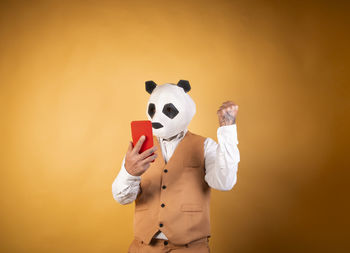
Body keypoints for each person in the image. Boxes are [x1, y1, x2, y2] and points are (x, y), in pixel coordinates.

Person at [112, 80, 240, 252]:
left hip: (190, 248)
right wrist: (129, 172)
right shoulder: (139, 148)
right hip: (144, 248)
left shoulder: (204, 146)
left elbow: (224, 182)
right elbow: (122, 198)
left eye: (168, 110)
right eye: (153, 110)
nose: (158, 117)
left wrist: (228, 131)